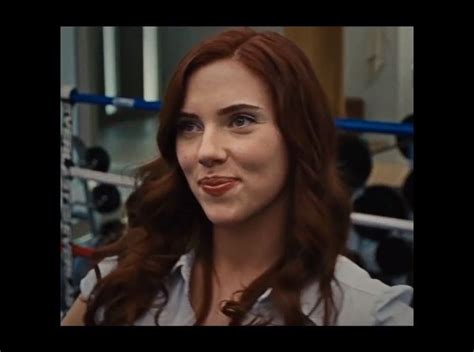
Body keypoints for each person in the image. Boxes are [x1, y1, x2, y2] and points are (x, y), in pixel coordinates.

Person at [61, 27, 413, 326]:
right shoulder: (124, 280)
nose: (206, 150)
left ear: (300, 135)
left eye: (240, 120)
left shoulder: (367, 312)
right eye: (190, 126)